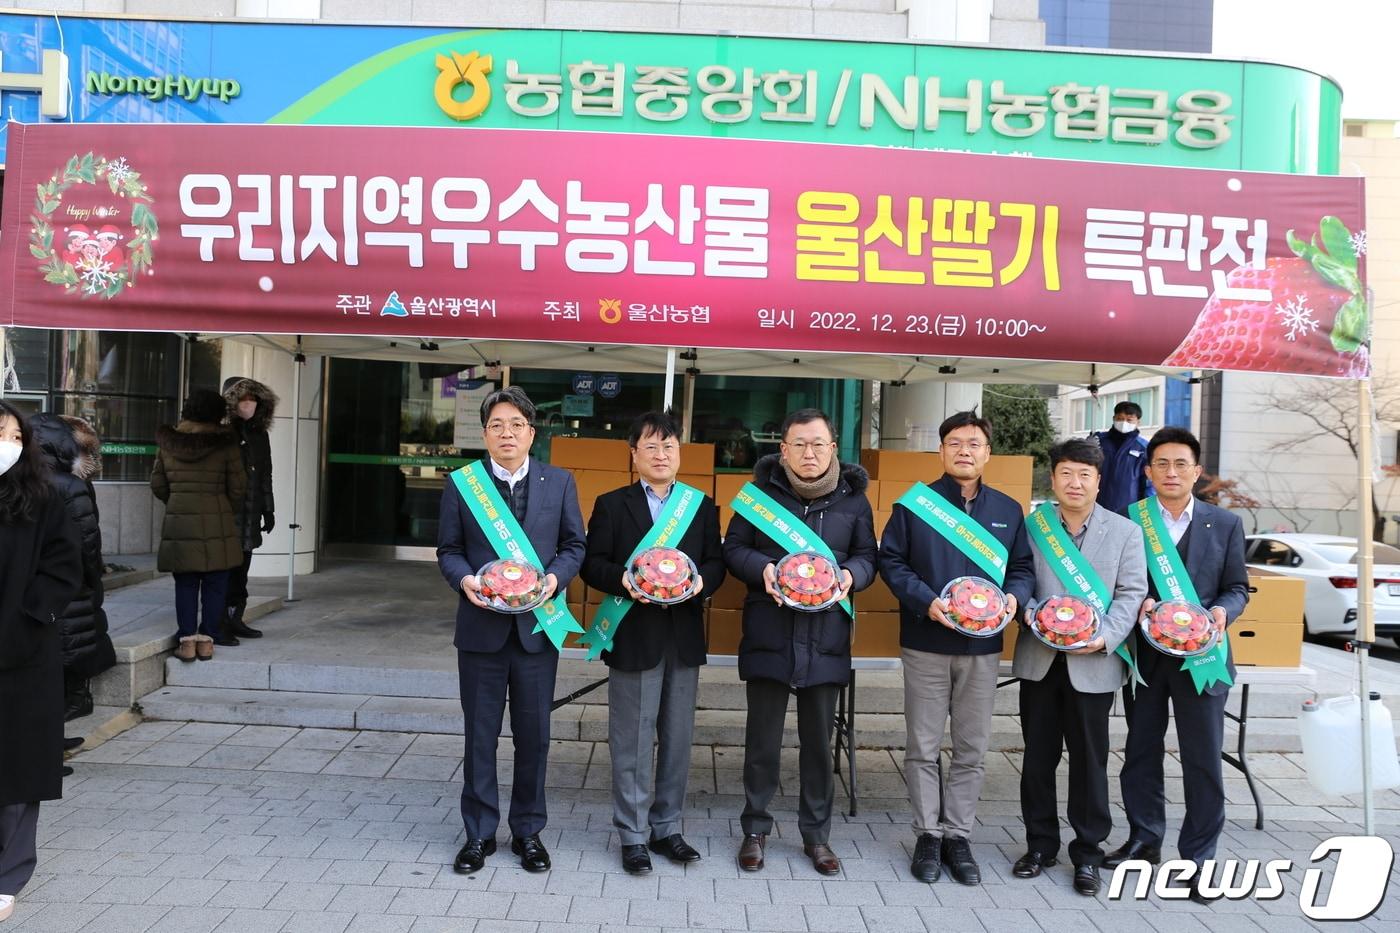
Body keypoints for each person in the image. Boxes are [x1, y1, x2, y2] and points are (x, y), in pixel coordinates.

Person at [879, 411, 1036, 885]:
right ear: (942, 450)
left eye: (974, 444)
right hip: (927, 641)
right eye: (954, 443)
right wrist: (925, 602)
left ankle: (958, 835)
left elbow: (1023, 568)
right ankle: (927, 833)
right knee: (923, 746)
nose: (964, 451)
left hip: (984, 648)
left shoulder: (1008, 510)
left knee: (972, 746)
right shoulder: (914, 506)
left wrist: (1015, 597)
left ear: (987, 453)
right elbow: (892, 562)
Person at [437, 386, 585, 875]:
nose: (507, 433)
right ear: (484, 434)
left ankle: (528, 832)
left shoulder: (559, 481)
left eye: (516, 425)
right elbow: (448, 550)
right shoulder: (464, 484)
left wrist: (553, 579)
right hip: (481, 631)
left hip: (535, 632)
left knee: (534, 736)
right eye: (497, 425)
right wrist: (466, 580)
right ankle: (478, 833)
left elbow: (573, 545)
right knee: (479, 736)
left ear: (531, 433)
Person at [722, 409, 877, 877]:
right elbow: (733, 549)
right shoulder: (756, 497)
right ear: (782, 450)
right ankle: (755, 829)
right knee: (762, 741)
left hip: (827, 636)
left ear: (833, 449)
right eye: (799, 444)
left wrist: (851, 576)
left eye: (818, 444)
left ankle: (817, 836)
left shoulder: (854, 502)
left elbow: (869, 557)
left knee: (818, 743)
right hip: (770, 633)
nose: (809, 453)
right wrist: (762, 569)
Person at [1104, 427, 1249, 904]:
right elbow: (1120, 584)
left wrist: (1225, 611)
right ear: (1148, 471)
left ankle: (1199, 858)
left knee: (1202, 760)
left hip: (1203, 659)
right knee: (1141, 753)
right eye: (1161, 464)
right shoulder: (1129, 520)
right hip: (1147, 657)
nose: (1171, 472)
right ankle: (1145, 840)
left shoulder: (1224, 523)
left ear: (1197, 471)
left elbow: (1236, 586)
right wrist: (1140, 602)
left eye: (1180, 464)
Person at [581, 410, 725, 875]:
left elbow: (715, 563)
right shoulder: (611, 503)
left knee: (679, 740)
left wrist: (700, 582)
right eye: (651, 447)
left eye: (668, 447)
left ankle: (667, 828)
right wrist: (624, 579)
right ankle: (632, 834)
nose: (661, 455)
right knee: (632, 740)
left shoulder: (700, 506)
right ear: (634, 455)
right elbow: (591, 564)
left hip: (682, 637)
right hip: (634, 636)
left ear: (679, 453)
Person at [1012, 438, 1146, 896]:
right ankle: (1040, 845)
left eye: (1084, 474)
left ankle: (1087, 853)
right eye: (1066, 473)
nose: (1075, 482)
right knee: (1038, 759)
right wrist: (1029, 614)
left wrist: (1105, 635)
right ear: (1053, 479)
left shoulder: (1125, 531)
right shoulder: (1033, 527)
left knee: (1090, 762)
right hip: (1040, 660)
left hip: (1094, 664)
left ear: (1098, 481)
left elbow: (1132, 593)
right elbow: (1017, 578)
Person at [0, 401, 83, 923]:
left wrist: (32, 616)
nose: (4, 442)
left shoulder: (43, 496)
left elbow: (66, 565)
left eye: (10, 433)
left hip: (22, 652)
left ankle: (8, 875)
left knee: (15, 771)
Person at [29, 414, 115, 726]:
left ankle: (76, 699)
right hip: (68, 578)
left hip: (68, 579)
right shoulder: (58, 481)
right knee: (69, 637)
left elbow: (86, 537)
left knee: (70, 638)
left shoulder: (65, 483)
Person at [151, 389, 247, 661]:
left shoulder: (168, 442)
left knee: (186, 583)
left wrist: (179, 501)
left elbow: (158, 484)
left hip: (179, 522)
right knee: (217, 582)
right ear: (218, 413)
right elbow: (238, 488)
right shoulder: (227, 443)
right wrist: (222, 506)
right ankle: (208, 638)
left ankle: (187, 640)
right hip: (218, 521)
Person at [221, 376, 278, 641]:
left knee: (242, 570)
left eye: (253, 399)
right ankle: (219, 620)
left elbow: (265, 474)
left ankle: (235, 618)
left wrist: (269, 508)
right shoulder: (221, 433)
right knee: (224, 570)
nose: (249, 404)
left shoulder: (259, 434)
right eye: (243, 399)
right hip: (226, 514)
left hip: (251, 511)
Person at [1090, 401, 1152, 513]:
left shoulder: (1143, 448)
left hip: (1128, 508)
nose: (1124, 423)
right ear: (1114, 418)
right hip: (1096, 505)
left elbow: (1149, 483)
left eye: (1129, 420)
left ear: (1138, 422)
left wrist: (1147, 509)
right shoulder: (1098, 441)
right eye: (1120, 418)